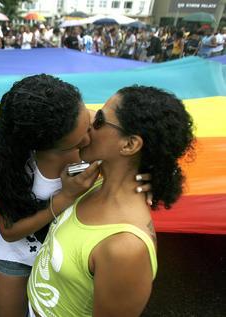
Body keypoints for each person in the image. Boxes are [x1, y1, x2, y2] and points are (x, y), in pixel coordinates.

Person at [0, 75, 152, 317]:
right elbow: (9, 231)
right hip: (18, 255)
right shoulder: (5, 160)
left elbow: (138, 147)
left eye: (91, 123)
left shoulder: (78, 119)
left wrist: (144, 174)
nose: (89, 137)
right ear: (44, 146)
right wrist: (65, 197)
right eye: (77, 140)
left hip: (64, 255)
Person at [28, 86, 195, 317]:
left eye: (98, 120)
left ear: (129, 145)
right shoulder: (90, 184)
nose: (88, 122)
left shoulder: (125, 248)